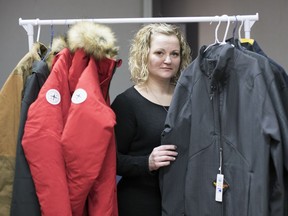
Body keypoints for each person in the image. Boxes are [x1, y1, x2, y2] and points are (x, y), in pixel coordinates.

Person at [111, 23, 192, 216]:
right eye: (159, 53)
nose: (168, 60)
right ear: (144, 55)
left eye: (175, 54)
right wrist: (147, 162)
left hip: (183, 203)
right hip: (140, 203)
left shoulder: (190, 99)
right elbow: (110, 161)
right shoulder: (127, 103)